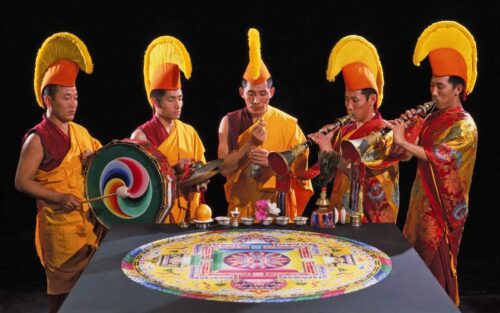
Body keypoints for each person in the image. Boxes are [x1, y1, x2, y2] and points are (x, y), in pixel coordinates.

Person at [386, 21, 478, 305]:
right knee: (413, 276)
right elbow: (402, 154)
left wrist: (404, 142)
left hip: (440, 215)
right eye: (432, 86)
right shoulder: (432, 118)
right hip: (418, 208)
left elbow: (443, 158)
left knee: (434, 281)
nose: (433, 93)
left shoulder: (465, 126)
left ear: (457, 89)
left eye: (440, 87)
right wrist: (400, 129)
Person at [14, 32, 102, 313]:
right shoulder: (37, 138)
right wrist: (57, 196)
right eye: (66, 97)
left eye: (75, 97)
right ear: (48, 100)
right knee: (63, 300)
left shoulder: (80, 132)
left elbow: (102, 161)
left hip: (85, 223)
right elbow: (21, 181)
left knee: (89, 295)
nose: (73, 103)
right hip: (59, 230)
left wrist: (92, 159)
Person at [308, 35, 419, 223]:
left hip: (373, 217)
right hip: (340, 215)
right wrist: (324, 148)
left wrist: (329, 152)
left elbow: (357, 172)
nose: (349, 107)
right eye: (346, 99)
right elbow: (329, 174)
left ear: (372, 100)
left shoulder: (384, 132)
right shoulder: (345, 131)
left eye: (355, 100)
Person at [218, 28, 313, 219]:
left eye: (263, 94)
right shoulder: (230, 122)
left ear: (272, 93)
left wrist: (274, 161)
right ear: (241, 93)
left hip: (277, 208)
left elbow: (301, 173)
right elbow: (224, 169)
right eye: (251, 94)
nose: (256, 101)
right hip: (241, 208)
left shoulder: (288, 124)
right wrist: (249, 145)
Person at [130, 35, 207, 224]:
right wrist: (174, 170)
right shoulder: (141, 136)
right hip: (158, 217)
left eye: (180, 98)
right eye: (171, 100)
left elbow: (203, 169)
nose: (178, 105)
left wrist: (202, 181)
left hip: (190, 213)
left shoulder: (189, 132)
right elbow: (138, 186)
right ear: (155, 102)